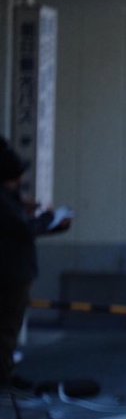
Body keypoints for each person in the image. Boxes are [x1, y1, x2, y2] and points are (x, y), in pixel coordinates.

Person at [1, 137, 71, 392]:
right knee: (8, 326)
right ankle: (4, 375)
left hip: (15, 270)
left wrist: (47, 222)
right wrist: (50, 219)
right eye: (15, 178)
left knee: (9, 326)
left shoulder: (11, 200)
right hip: (11, 273)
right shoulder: (5, 201)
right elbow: (23, 229)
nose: (18, 183)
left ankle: (6, 371)